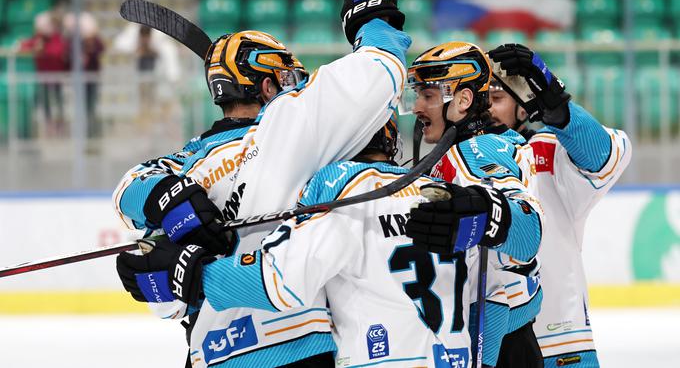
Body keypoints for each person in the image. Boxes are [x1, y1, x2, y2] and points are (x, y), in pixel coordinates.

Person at [114, 0, 410, 367]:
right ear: (269, 84)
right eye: (290, 79)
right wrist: (372, 18)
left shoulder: (186, 163)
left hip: (211, 354)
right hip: (296, 347)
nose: (298, 88)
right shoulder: (290, 127)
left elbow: (165, 302)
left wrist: (166, 199)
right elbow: (381, 68)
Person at [116, 103, 543, 367]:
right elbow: (506, 284)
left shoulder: (344, 194)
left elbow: (277, 282)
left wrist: (190, 273)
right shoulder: (447, 195)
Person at [400, 41, 545, 368]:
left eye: (428, 96)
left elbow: (528, 235)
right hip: (505, 334)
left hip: (502, 341)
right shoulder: (462, 147)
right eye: (417, 95)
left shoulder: (477, 150)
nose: (419, 107)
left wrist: (484, 209)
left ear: (463, 100)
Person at [487, 43, 631, 368]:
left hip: (561, 349)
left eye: (496, 99)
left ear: (523, 109)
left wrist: (556, 103)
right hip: (484, 350)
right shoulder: (451, 163)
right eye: (481, 100)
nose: (488, 109)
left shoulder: (548, 151)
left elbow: (606, 158)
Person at [20, 11, 68, 136]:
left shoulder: (57, 37)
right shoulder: (38, 38)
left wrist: (43, 50)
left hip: (56, 75)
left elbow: (57, 52)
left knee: (58, 101)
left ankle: (60, 123)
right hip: (43, 75)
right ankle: (49, 124)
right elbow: (25, 46)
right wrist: (31, 47)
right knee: (45, 101)